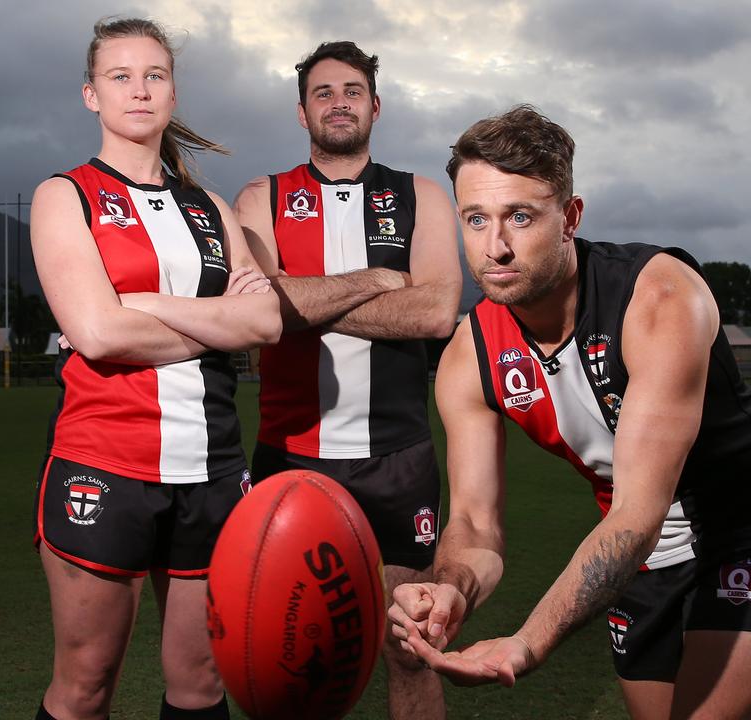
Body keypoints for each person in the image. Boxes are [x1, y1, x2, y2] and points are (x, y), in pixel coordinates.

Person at [389, 106, 751, 719]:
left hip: (745, 526)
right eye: (476, 219)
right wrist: (450, 587)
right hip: (637, 546)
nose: (495, 248)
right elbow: (477, 524)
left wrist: (526, 643)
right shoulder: (470, 355)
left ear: (570, 217)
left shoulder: (661, 297)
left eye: (521, 217)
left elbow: (639, 511)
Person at [29, 18, 280, 720]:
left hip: (213, 470)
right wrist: (216, 325)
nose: (139, 90)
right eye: (120, 76)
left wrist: (148, 303)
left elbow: (265, 323)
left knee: (202, 681)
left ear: (172, 93)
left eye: (155, 75)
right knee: (86, 682)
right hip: (105, 464)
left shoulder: (210, 209)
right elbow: (98, 334)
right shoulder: (65, 195)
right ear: (91, 95)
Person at [232, 41, 461, 720]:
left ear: (375, 106)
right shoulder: (260, 197)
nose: (339, 103)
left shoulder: (419, 194)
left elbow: (436, 309)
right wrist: (375, 282)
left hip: (397, 458)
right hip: (293, 458)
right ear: (302, 112)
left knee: (412, 646)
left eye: (352, 91)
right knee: (289, 648)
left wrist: (304, 303)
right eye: (324, 92)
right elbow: (263, 313)